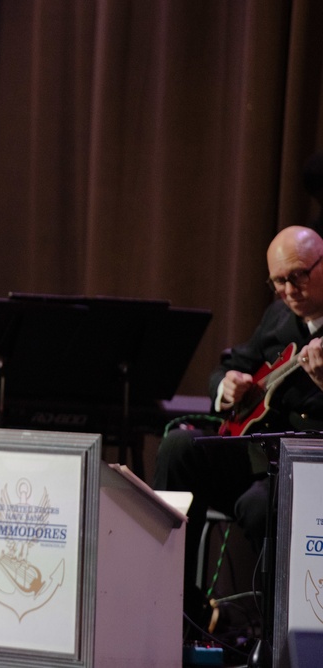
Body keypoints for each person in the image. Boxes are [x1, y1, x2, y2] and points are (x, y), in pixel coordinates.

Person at [153, 224, 323, 634]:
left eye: (298, 275)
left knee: (259, 505)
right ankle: (177, 609)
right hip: (258, 455)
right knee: (180, 448)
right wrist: (225, 386)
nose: (288, 290)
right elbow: (232, 363)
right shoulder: (279, 314)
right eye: (278, 281)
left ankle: (278, 638)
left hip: (308, 468)